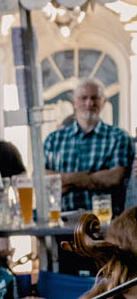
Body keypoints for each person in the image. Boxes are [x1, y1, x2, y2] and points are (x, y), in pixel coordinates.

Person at [44, 79, 134, 215]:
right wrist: (91, 179)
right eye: (83, 98)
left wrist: (66, 180)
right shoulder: (54, 139)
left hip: (106, 225)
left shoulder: (119, 137)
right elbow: (42, 179)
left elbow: (115, 178)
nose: (89, 103)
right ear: (74, 102)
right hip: (61, 223)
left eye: (95, 98)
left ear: (103, 102)